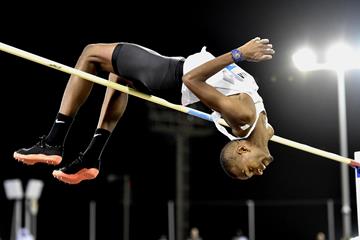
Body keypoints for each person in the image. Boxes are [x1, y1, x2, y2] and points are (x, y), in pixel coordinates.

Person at [13, 36, 275, 184]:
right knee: (118, 75)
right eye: (250, 171)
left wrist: (238, 53)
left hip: (170, 75)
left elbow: (191, 80)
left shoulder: (243, 116)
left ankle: (53, 141)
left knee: (91, 53)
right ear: (243, 148)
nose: (257, 172)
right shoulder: (267, 130)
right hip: (170, 80)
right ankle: (92, 157)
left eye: (249, 171)